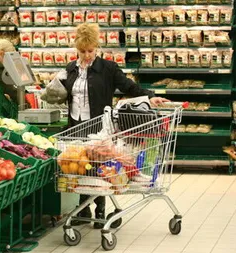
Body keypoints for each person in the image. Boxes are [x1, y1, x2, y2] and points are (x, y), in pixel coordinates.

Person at [50, 23, 169, 229]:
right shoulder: (70, 69)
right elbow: (62, 96)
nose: (87, 55)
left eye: (90, 50)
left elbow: (129, 87)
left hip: (99, 126)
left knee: (99, 166)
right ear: (76, 49)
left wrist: (150, 97)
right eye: (82, 51)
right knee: (81, 167)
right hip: (76, 124)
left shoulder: (108, 69)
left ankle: (100, 209)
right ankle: (83, 209)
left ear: (97, 48)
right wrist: (54, 86)